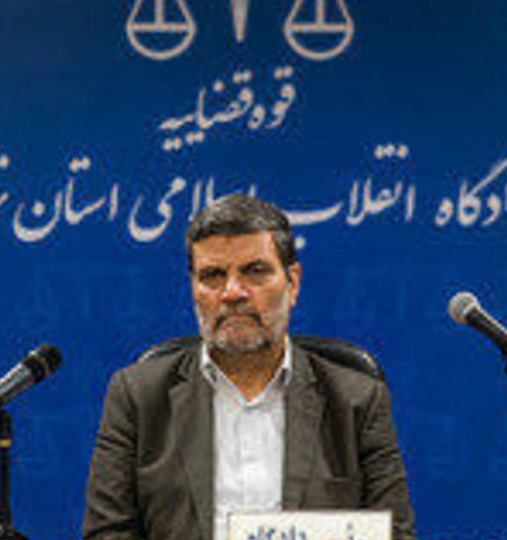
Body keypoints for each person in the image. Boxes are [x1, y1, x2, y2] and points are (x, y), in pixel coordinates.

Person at [82, 194, 416, 540]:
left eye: (254, 271)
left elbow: (394, 533)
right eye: (213, 275)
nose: (232, 292)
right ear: (193, 289)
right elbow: (107, 533)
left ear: (293, 283)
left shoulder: (357, 400)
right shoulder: (137, 397)